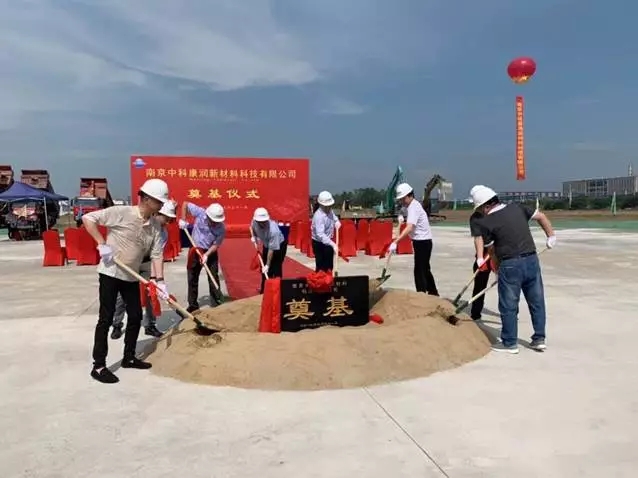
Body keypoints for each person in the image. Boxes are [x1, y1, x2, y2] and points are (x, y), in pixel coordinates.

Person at [82, 178, 171, 384]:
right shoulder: (121, 213)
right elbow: (88, 218)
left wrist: (159, 281)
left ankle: (129, 357)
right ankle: (99, 366)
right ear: (147, 199)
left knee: (135, 316)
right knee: (106, 319)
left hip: (131, 275)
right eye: (159, 201)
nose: (161, 205)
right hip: (111, 273)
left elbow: (157, 254)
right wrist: (102, 244)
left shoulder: (155, 226)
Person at [469, 185, 556, 354]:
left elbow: (492, 251)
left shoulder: (486, 223)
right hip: (531, 260)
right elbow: (541, 216)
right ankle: (539, 339)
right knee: (536, 301)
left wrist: (497, 269)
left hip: (510, 264)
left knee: (508, 304)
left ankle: (509, 343)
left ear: (485, 206)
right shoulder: (517, 207)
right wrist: (551, 235)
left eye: (479, 208)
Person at [111, 200, 177, 339]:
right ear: (157, 214)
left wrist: (156, 279)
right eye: (166, 218)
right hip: (130, 260)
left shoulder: (163, 233)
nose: (167, 222)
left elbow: (156, 256)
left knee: (151, 293)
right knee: (122, 295)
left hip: (147, 262)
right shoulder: (141, 224)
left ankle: (150, 325)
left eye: (169, 220)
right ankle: (117, 324)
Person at [390, 182, 439, 296]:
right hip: (422, 242)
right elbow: (406, 219)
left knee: (419, 270)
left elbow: (410, 227)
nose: (402, 201)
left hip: (423, 242)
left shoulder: (413, 207)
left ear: (409, 195)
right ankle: (433, 293)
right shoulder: (412, 206)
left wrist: (396, 241)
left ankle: (421, 295)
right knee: (424, 269)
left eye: (403, 199)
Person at [178, 202, 226, 313]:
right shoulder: (200, 213)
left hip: (210, 252)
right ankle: (193, 305)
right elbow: (185, 204)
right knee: (192, 277)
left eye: (216, 221)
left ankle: (217, 303)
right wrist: (183, 219)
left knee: (213, 276)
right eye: (212, 220)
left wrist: (206, 255)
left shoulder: (221, 228)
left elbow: (216, 244)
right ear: (208, 216)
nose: (214, 223)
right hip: (195, 248)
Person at [468, 196, 494, 321]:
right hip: (484, 252)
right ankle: (475, 313)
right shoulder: (475, 218)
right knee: (479, 282)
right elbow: (478, 238)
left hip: (501, 251)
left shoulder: (496, 214)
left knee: (506, 284)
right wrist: (480, 258)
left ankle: (510, 313)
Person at [250, 207, 286, 293]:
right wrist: (254, 237)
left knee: (276, 268)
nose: (262, 223)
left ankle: (278, 291)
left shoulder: (273, 230)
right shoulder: (254, 222)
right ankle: (264, 291)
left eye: (264, 221)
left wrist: (268, 265)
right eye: (260, 222)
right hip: (266, 244)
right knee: (265, 272)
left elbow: (271, 250)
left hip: (279, 246)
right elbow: (252, 228)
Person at [311, 190, 341, 272]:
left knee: (329, 265)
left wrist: (337, 222)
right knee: (321, 267)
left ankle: (329, 277)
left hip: (328, 241)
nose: (328, 208)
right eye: (326, 206)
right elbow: (320, 235)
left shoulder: (330, 211)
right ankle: (320, 279)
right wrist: (333, 244)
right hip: (319, 243)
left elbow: (334, 218)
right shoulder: (318, 216)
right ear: (321, 205)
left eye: (329, 206)